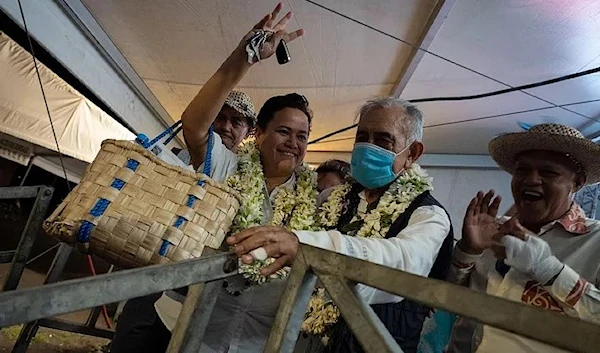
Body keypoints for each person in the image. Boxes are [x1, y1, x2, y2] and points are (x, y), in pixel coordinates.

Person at [228, 96, 455, 353]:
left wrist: (306, 246)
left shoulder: (429, 215)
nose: (368, 147)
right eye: (362, 137)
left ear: (412, 153)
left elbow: (405, 262)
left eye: (383, 140)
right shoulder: (334, 198)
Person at [150, 4, 316, 353]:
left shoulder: (316, 198)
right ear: (258, 133)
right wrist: (246, 56)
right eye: (284, 131)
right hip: (194, 328)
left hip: (260, 342)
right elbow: (194, 127)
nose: (293, 143)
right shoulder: (227, 167)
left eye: (302, 136)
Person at [109, 91, 256, 353]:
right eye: (219, 117)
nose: (225, 126)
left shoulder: (247, 177)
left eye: (236, 122)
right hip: (151, 274)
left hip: (198, 296)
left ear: (248, 132)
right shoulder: (172, 156)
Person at [447, 123, 600, 352]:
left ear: (576, 183)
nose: (531, 180)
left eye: (548, 172)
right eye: (522, 170)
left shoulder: (594, 241)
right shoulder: (491, 230)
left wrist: (547, 269)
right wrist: (467, 251)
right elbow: (448, 299)